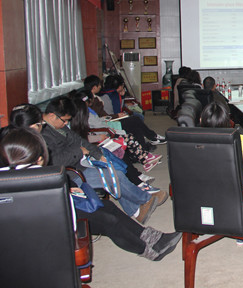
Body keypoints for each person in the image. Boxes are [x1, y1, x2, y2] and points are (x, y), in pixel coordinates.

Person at [0, 126, 181, 261]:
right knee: (108, 220)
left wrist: (69, 190)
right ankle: (149, 250)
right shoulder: (45, 178)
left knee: (106, 205)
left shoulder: (10, 176)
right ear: (40, 158)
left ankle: (153, 237)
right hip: (53, 226)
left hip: (48, 218)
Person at [40, 97, 167, 222]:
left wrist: (98, 155)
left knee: (113, 170)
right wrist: (79, 151)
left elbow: (80, 141)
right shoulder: (43, 135)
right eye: (64, 120)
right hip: (71, 174)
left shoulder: (59, 127)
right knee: (115, 176)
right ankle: (145, 200)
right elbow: (54, 161)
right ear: (52, 116)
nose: (66, 123)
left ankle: (137, 211)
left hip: (80, 164)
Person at [199, 102, 243, 207]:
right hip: (236, 205)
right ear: (227, 122)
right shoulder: (238, 141)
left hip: (201, 203)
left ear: (201, 120)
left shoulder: (190, 144)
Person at [85, 74, 166, 149]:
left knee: (135, 122)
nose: (100, 87)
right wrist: (117, 115)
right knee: (136, 119)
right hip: (106, 124)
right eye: (99, 85)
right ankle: (151, 139)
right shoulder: (94, 100)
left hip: (108, 120)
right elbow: (103, 115)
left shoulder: (97, 97)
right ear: (94, 87)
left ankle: (145, 146)